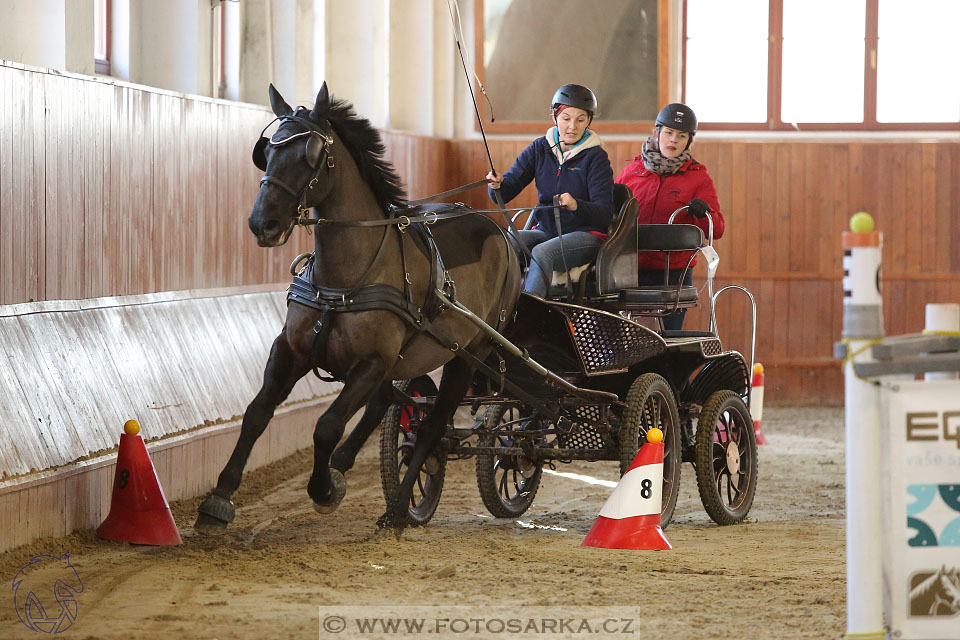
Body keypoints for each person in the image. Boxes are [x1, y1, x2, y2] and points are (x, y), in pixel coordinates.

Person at [487, 84, 614, 298]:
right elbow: (506, 191)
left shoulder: (596, 157)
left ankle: (528, 314)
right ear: (554, 117)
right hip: (546, 231)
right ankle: (495, 308)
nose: (572, 126)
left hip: (586, 235)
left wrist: (576, 205)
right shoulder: (540, 148)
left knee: (542, 252)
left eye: (580, 119)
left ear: (588, 121)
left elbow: (604, 213)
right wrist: (498, 184)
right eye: (566, 118)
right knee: (505, 242)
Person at [615, 102, 725, 331]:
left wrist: (701, 214)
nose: (673, 140)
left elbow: (718, 228)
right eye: (669, 133)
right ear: (657, 133)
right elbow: (610, 214)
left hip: (672, 276)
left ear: (689, 141)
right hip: (627, 271)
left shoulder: (698, 178)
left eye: (681, 135)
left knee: (666, 341)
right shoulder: (632, 171)